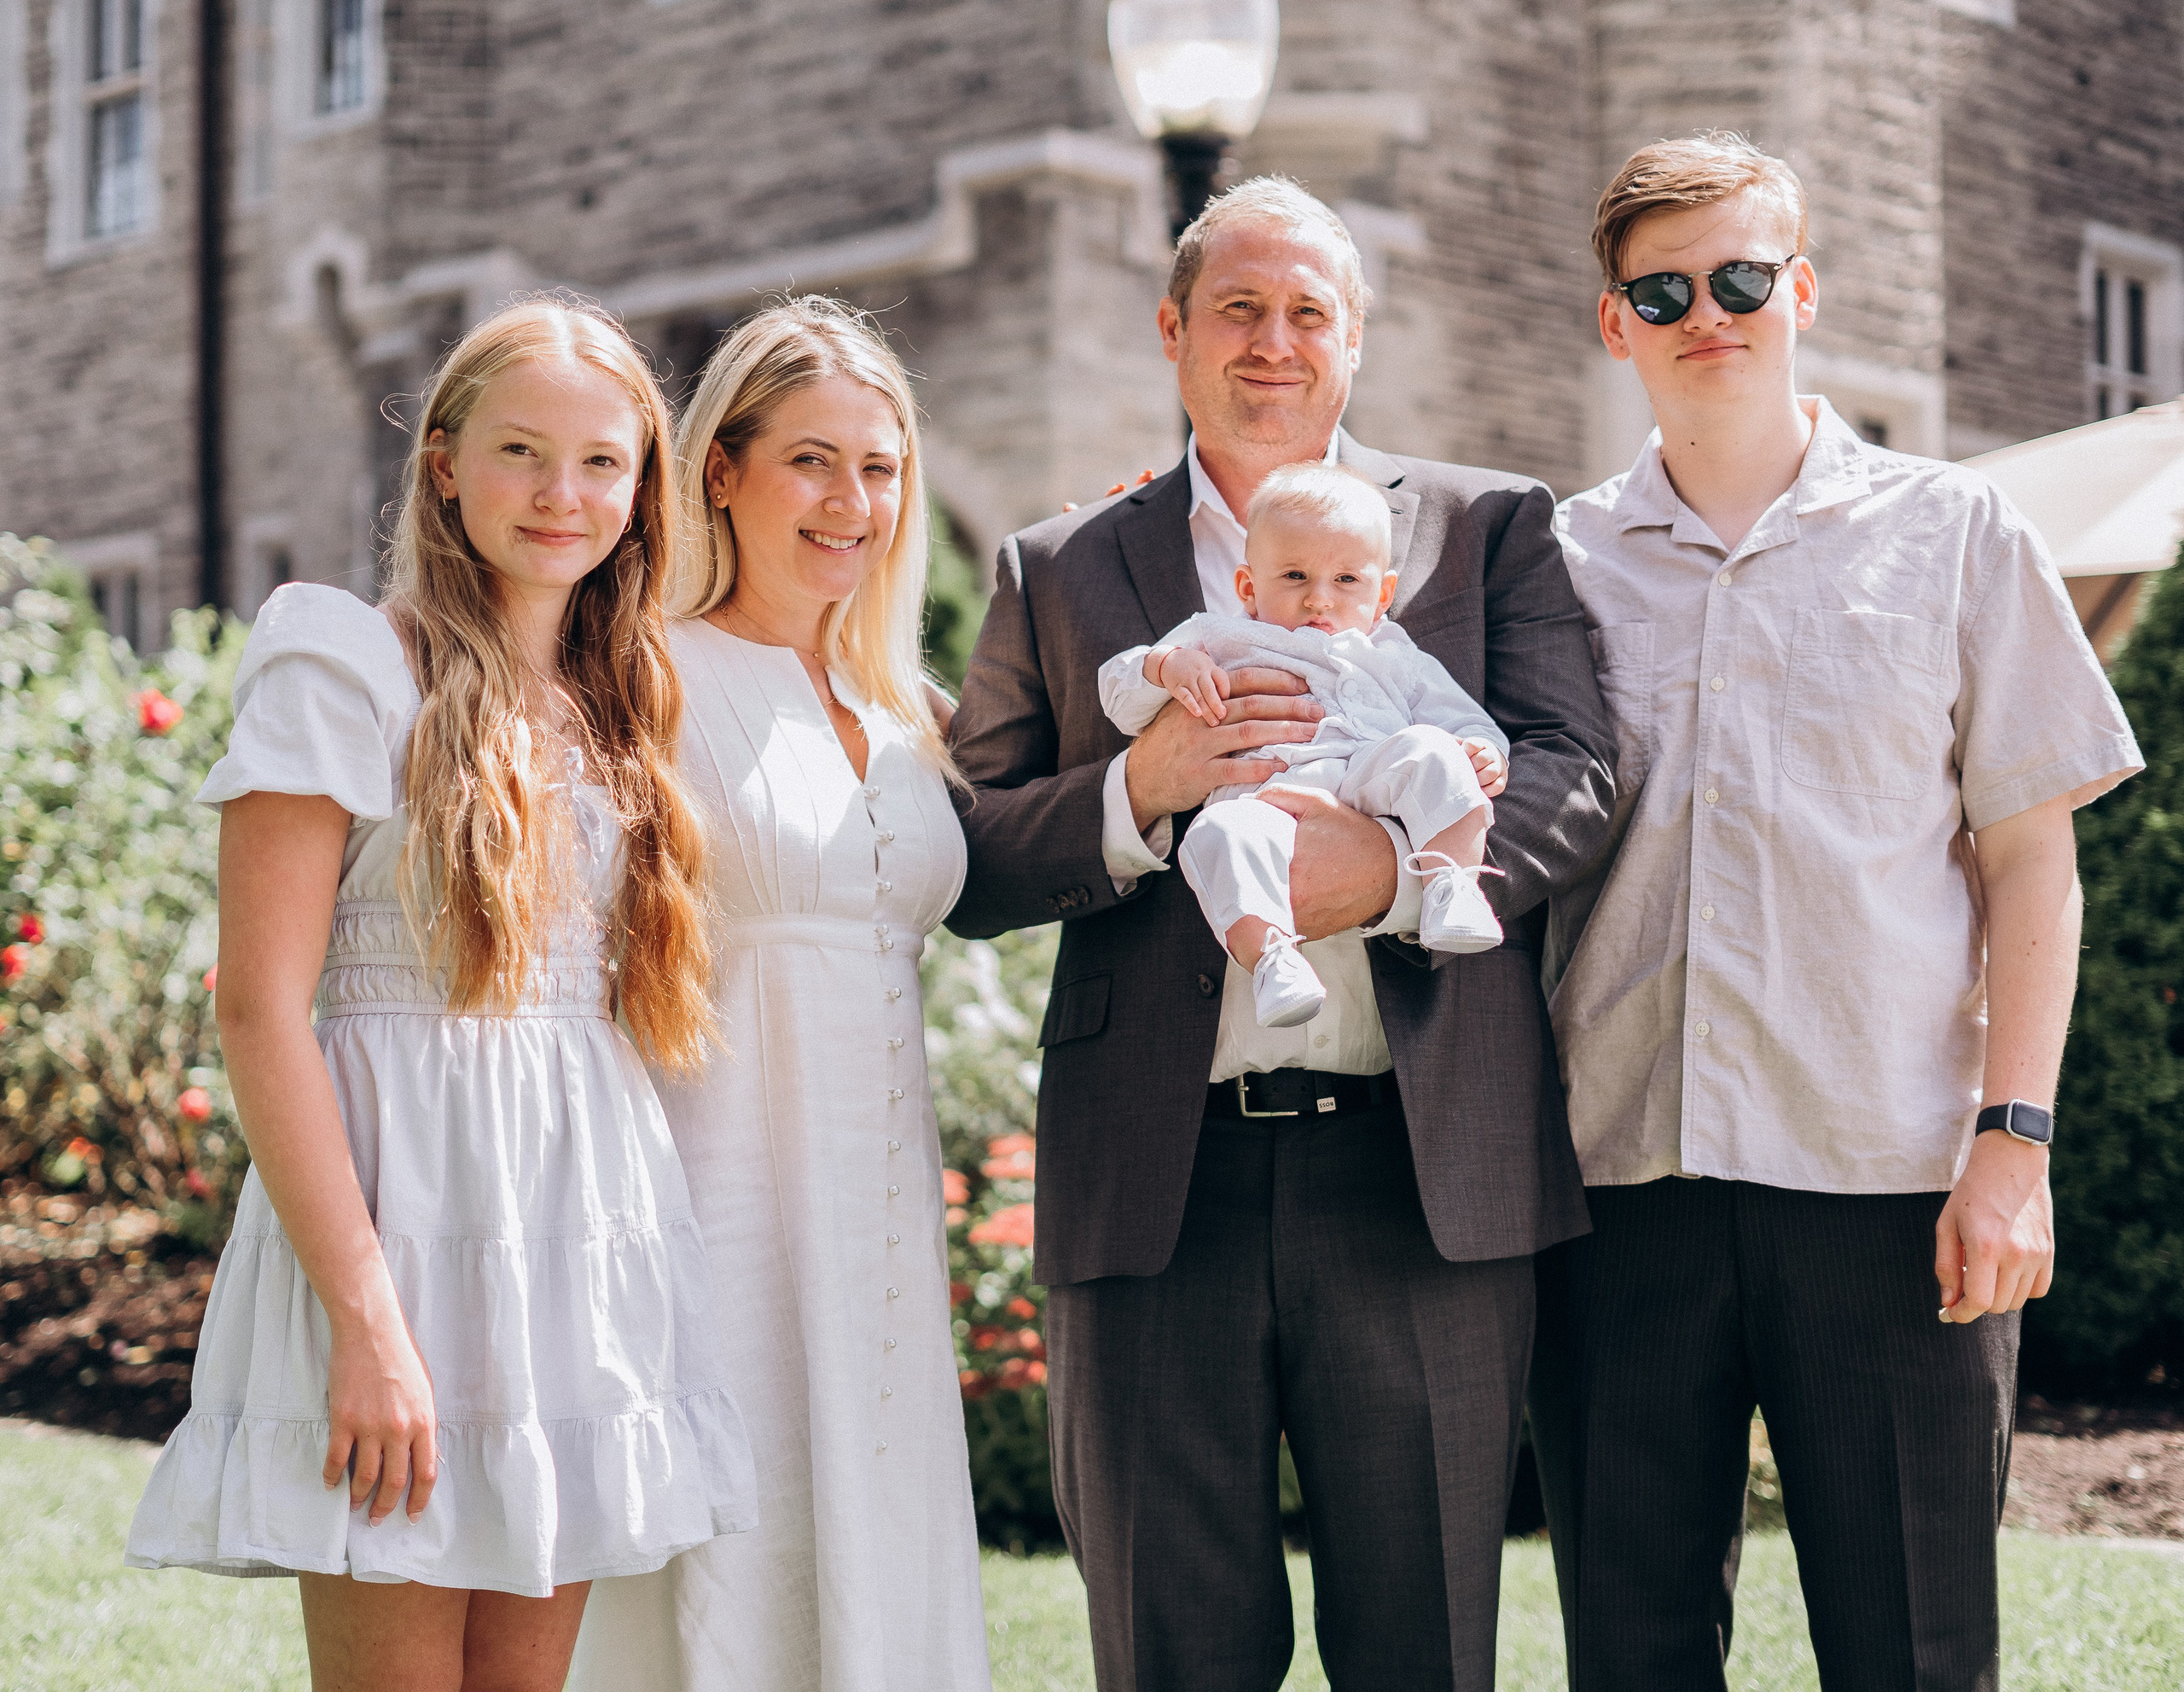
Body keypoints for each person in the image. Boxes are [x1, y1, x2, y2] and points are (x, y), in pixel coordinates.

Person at [948, 177, 1618, 1691]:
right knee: (1176, 1651)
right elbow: (974, 850)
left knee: (1424, 1648)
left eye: (1309, 310)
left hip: (1420, 1166)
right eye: (1238, 308)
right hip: (1152, 1180)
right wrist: (1138, 790)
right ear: (1175, 329)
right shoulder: (1060, 567)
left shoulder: (1484, 526)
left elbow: (1578, 773)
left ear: (1355, 337)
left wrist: (1384, 870)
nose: (1274, 341)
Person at [1531, 132, 2145, 1691]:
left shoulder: (1958, 536)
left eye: (1742, 276)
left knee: (1916, 1654)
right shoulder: (1551, 566)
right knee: (1631, 1655)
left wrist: (2014, 1144)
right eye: (1662, 290)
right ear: (1617, 323)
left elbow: (2030, 866)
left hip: (1890, 1185)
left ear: (1800, 287)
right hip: (1619, 1182)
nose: (1706, 313)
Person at [123, 298, 757, 1690]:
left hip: (573, 1240)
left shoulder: (627, 705)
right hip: (395, 1230)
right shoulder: (343, 657)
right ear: (445, 464)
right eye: (522, 450)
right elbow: (258, 1009)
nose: (561, 493)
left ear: (644, 490)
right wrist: (367, 1323)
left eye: (602, 462)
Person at [567, 296, 990, 1692]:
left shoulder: (906, 713)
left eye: (878, 467)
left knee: (875, 1538)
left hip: (875, 1226)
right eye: (812, 459)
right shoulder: (644, 680)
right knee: (722, 1561)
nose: (850, 500)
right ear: (722, 471)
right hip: (706, 1201)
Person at [1099, 459, 1512, 1030]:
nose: (1320, 600)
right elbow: (1117, 692)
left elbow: (1466, 720)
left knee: (1433, 749)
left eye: (1347, 580)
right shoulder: (1221, 636)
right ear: (1249, 585)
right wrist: (1166, 665)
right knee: (1218, 835)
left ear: (1382, 593)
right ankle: (1272, 960)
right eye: (1294, 576)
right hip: (1265, 798)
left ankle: (1452, 883)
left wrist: (1482, 749)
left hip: (1370, 780)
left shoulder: (1395, 654)